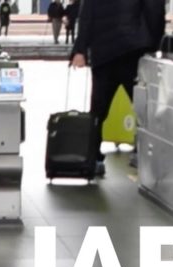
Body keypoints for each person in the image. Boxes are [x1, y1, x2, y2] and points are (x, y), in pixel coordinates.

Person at [70, 0, 164, 177]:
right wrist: (155, 44)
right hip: (133, 50)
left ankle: (93, 159)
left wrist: (80, 49)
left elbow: (86, 14)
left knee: (98, 110)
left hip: (104, 52)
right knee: (144, 108)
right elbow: (154, 10)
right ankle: (144, 154)